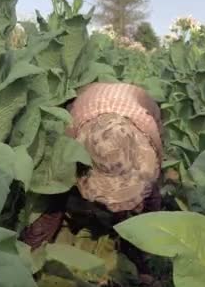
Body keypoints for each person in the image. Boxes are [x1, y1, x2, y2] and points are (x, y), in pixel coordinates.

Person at [66, 82, 162, 213]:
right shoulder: (74, 125)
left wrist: (148, 182)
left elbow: (157, 153)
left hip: (134, 96)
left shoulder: (145, 122)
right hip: (90, 96)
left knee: (150, 187)